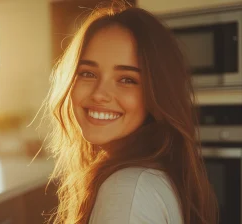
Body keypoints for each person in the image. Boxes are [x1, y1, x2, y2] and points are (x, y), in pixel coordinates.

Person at [44, 2, 218, 224]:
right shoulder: (149, 176)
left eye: (127, 79)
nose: (99, 94)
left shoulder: (127, 192)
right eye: (87, 73)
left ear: (156, 93)